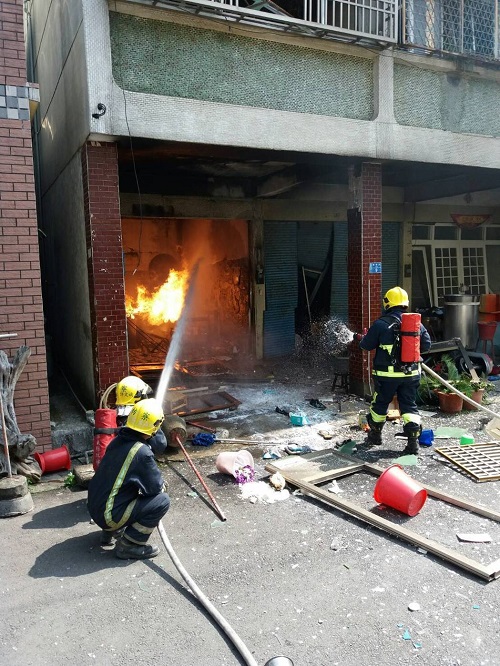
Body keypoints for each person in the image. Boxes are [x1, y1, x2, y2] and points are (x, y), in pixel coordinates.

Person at [88, 398, 170, 560]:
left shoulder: (117, 440)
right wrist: (161, 485)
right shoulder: (142, 453)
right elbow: (155, 489)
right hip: (109, 516)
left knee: (122, 487)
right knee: (162, 501)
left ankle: (110, 531)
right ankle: (129, 545)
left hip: (95, 507)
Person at [357, 286, 432, 455]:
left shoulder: (381, 324)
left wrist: (363, 337)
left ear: (387, 303)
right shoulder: (415, 323)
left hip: (387, 376)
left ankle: (375, 436)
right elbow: (427, 346)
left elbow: (366, 345)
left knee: (380, 404)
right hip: (411, 374)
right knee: (409, 406)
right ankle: (412, 444)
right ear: (405, 303)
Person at [115, 375, 168, 457]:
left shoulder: (116, 414)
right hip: (140, 458)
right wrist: (156, 425)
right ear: (138, 396)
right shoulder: (139, 417)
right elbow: (160, 445)